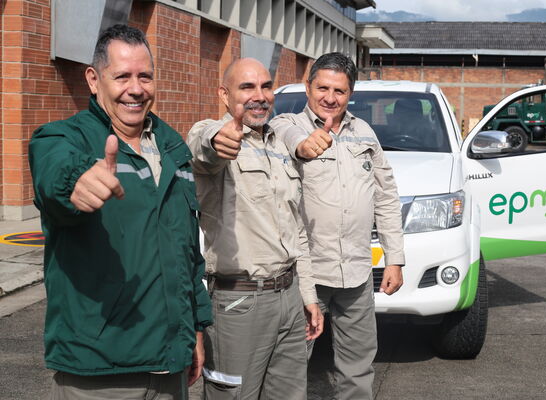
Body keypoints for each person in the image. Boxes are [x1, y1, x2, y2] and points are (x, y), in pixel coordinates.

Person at [28, 24, 211, 399]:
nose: (136, 88)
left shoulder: (173, 148)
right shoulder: (63, 138)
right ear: (94, 80)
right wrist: (73, 183)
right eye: (122, 76)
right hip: (100, 375)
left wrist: (194, 329)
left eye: (145, 76)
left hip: (171, 370)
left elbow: (187, 253)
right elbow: (54, 173)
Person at [270, 52, 405, 400]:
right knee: (291, 366)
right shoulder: (286, 125)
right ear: (308, 86)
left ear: (351, 93)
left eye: (340, 91)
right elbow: (286, 136)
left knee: (358, 366)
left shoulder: (364, 133)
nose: (330, 98)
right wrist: (303, 145)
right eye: (323, 88)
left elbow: (386, 196)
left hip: (357, 271)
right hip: (305, 275)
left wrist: (394, 258)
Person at [186, 58, 324, 399]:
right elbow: (203, 147)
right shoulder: (212, 133)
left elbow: (298, 229)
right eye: (247, 87)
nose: (259, 96)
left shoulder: (281, 145)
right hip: (238, 303)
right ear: (224, 94)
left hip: (289, 299)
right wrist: (218, 141)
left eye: (266, 86)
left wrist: (307, 296)